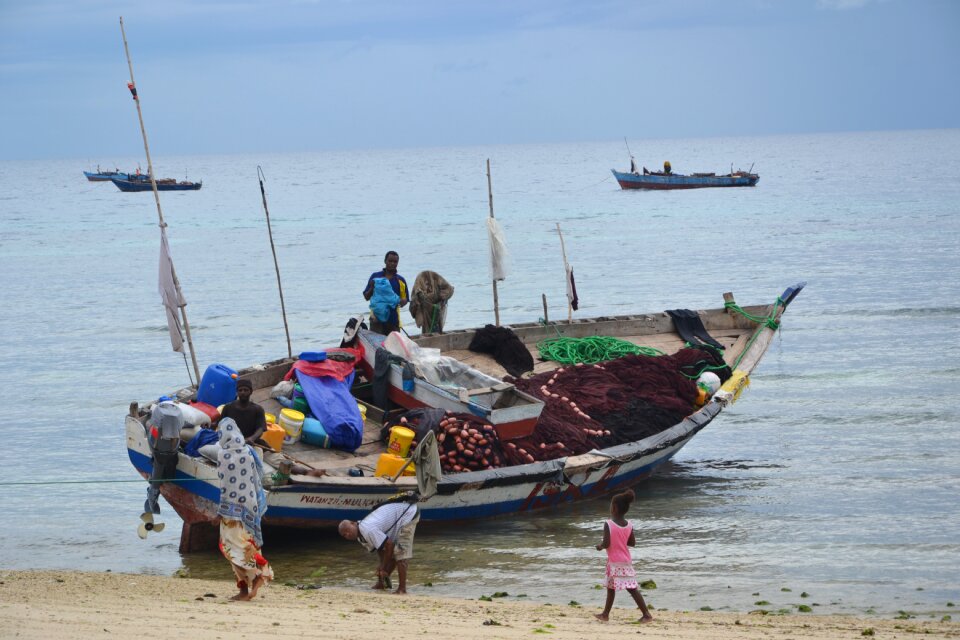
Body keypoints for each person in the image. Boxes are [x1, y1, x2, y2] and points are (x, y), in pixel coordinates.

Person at [216, 418, 274, 601]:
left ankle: (257, 575)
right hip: (250, 507)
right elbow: (258, 476)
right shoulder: (249, 453)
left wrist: (219, 510)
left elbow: (224, 485)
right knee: (245, 544)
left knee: (230, 546)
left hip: (230, 510)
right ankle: (247, 584)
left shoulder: (223, 454)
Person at [338, 499, 420, 595]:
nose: (347, 534)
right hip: (396, 520)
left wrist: (383, 567)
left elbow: (389, 545)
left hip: (408, 513)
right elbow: (381, 549)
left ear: (353, 523)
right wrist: (382, 568)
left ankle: (402, 589)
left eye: (347, 530)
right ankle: (381, 584)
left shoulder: (368, 529)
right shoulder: (361, 538)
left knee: (400, 554)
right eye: (344, 535)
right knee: (390, 558)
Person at [595, 489, 653, 623]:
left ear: (614, 507)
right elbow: (632, 543)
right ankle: (605, 614)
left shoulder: (608, 523)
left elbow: (606, 543)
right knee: (611, 588)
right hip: (624, 561)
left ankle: (647, 614)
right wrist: (621, 538)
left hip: (615, 562)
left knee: (631, 589)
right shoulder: (629, 525)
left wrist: (600, 546)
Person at [363, 251, 409, 335]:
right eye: (390, 261)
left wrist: (400, 301)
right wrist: (372, 287)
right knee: (377, 345)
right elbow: (366, 297)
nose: (392, 264)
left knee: (394, 346)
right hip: (376, 319)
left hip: (394, 320)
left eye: (395, 262)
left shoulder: (400, 280)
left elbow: (405, 299)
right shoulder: (375, 277)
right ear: (385, 261)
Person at [219, 378, 266, 446]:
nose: (243, 392)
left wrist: (252, 438)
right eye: (240, 390)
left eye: (246, 390)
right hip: (232, 441)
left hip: (250, 442)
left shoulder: (258, 409)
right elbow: (220, 423)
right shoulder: (228, 407)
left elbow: (261, 428)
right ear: (237, 392)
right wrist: (210, 425)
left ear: (251, 392)